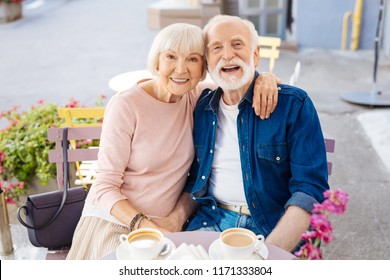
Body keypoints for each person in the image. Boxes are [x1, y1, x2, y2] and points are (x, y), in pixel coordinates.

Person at [66, 23, 280, 260]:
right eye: (171, 57)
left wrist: (266, 79)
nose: (181, 69)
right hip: (116, 224)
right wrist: (145, 225)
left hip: (168, 229)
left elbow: (240, 79)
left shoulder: (198, 97)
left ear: (203, 69)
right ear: (157, 62)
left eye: (192, 59)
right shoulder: (126, 105)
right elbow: (103, 187)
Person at [183, 15, 330, 253]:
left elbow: (309, 189)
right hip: (213, 220)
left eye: (237, 44)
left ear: (256, 55)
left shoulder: (293, 105)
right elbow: (195, 179)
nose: (228, 55)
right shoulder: (202, 107)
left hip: (274, 224)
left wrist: (268, 253)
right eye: (217, 48)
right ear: (207, 62)